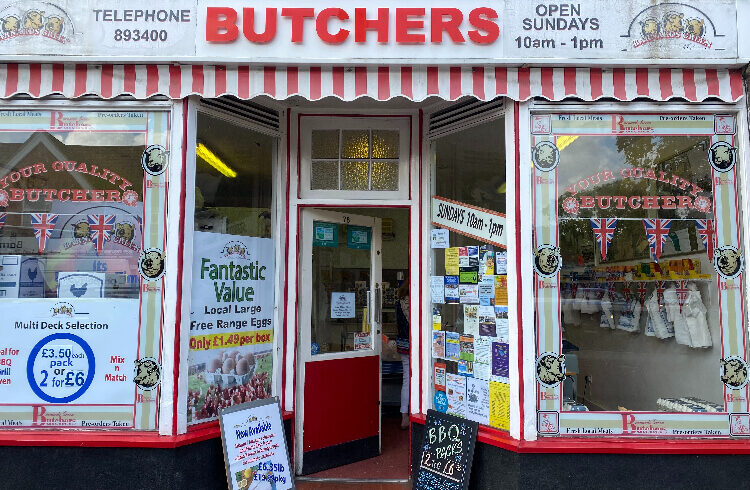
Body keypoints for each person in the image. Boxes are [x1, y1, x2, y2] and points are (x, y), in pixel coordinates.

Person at [395, 279, 410, 429]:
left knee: (406, 379)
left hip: (402, 345)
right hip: (414, 344)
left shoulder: (398, 302)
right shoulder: (413, 301)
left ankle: (404, 415)